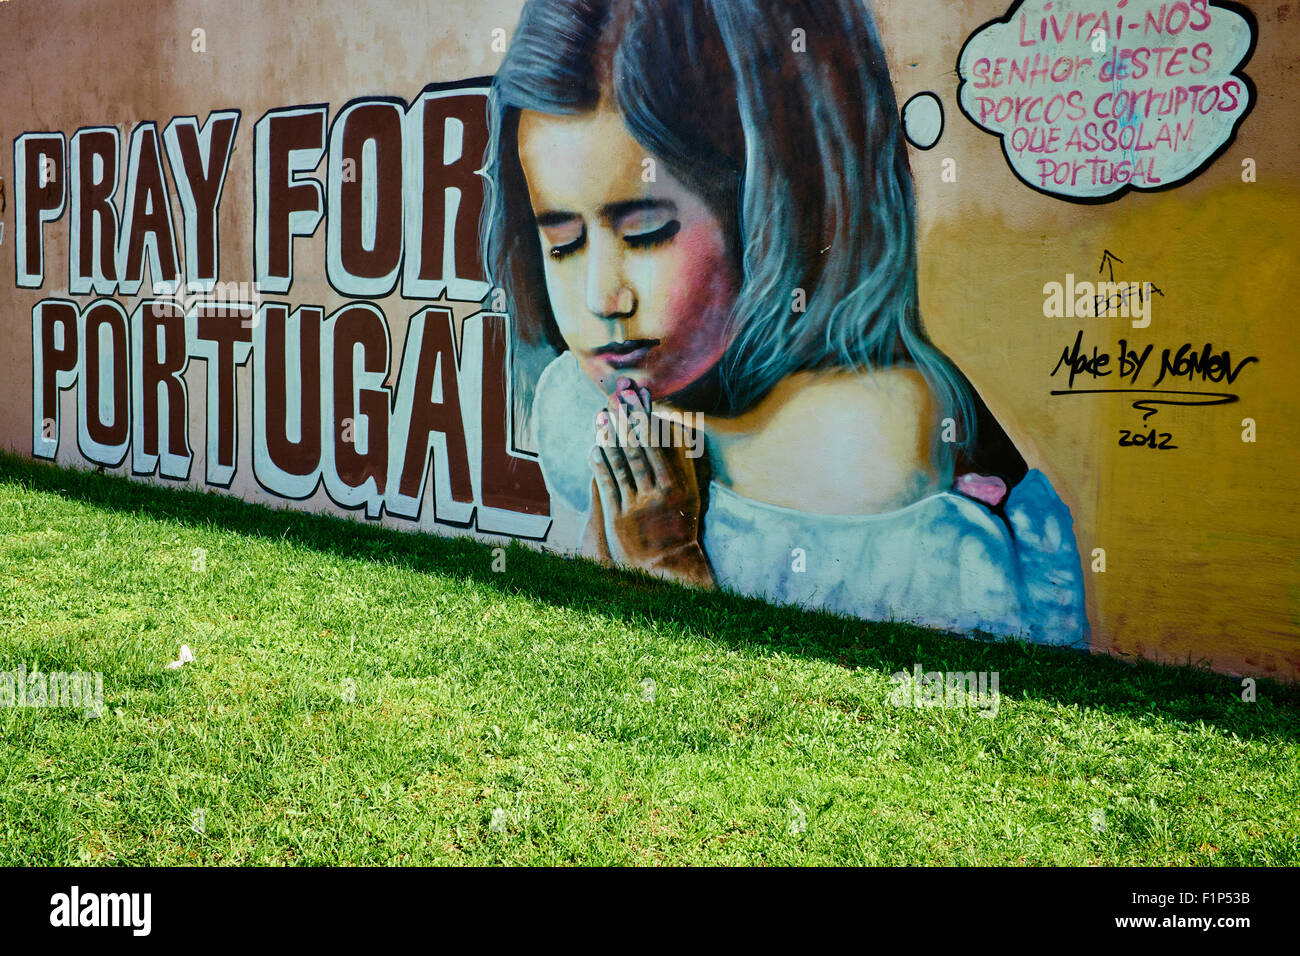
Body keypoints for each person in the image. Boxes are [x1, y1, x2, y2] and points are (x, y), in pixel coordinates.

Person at [481, 0, 1088, 646]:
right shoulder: (588, 406)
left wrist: (669, 570)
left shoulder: (870, 436)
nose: (604, 297)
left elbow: (828, 725)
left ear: (778, 201)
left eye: (648, 232)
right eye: (563, 243)